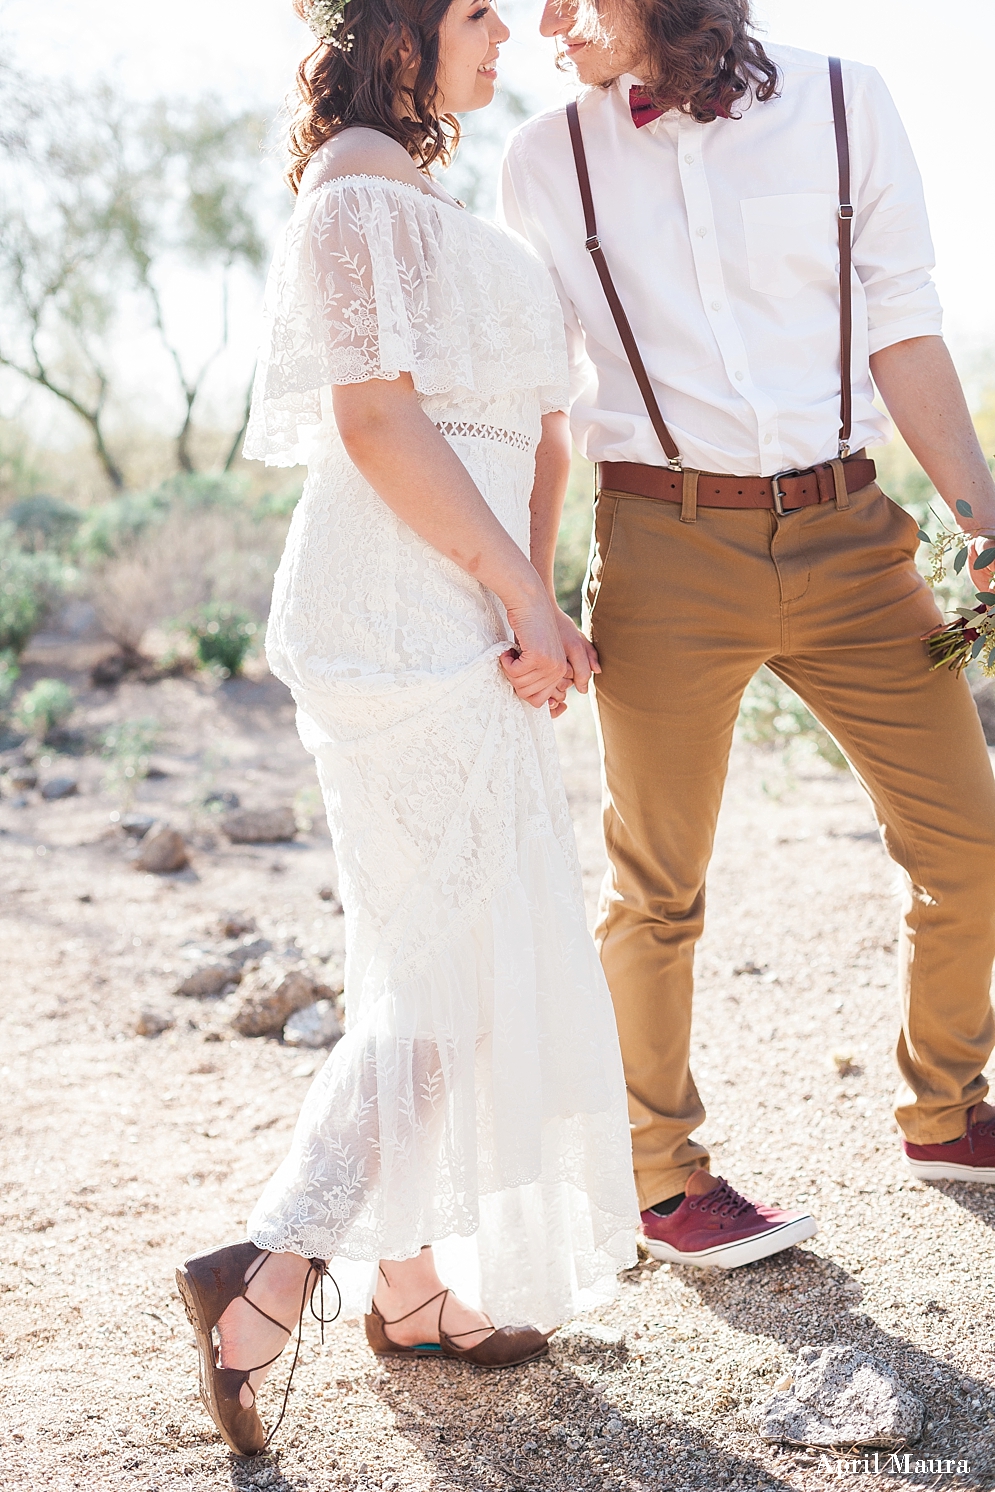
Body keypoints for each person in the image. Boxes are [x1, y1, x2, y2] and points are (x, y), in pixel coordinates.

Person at [175, 0, 637, 1458]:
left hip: (472, 605)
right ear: (399, 31)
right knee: (458, 962)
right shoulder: (354, 183)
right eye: (479, 11)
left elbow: (542, 435)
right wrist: (514, 594)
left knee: (432, 944)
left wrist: (538, 595)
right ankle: (268, 1266)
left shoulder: (435, 199)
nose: (505, 31)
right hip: (389, 615)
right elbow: (374, 424)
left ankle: (412, 1281)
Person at [501, 0, 995, 1270]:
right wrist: (533, 590)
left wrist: (981, 517)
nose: (544, 21)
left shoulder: (845, 102)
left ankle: (944, 1111)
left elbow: (900, 317)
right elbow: (545, 402)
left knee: (969, 845)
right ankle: (661, 1177)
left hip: (848, 533)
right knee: (654, 887)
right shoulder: (544, 158)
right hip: (662, 544)